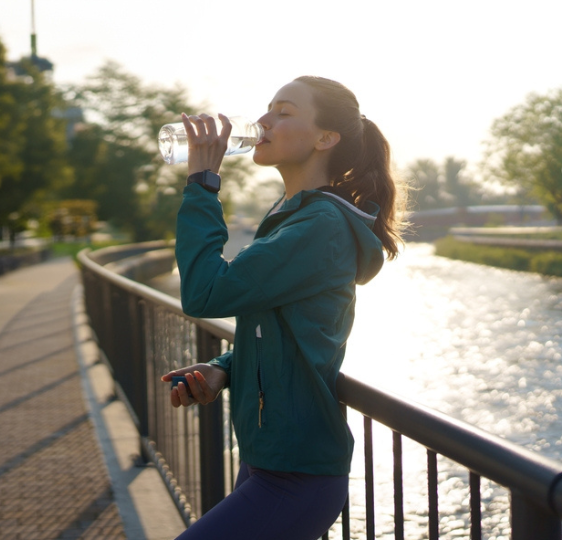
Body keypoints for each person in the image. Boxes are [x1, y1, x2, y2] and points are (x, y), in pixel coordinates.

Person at [160, 76, 404, 540]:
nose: (264, 121)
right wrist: (224, 368)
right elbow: (287, 333)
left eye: (284, 111)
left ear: (325, 138)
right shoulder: (293, 214)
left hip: (296, 476)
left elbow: (205, 294)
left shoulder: (320, 225)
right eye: (267, 109)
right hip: (266, 460)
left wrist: (202, 183)